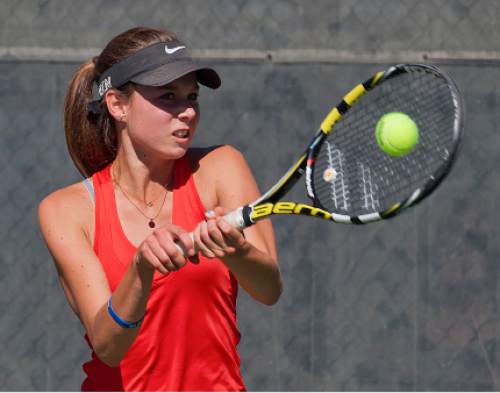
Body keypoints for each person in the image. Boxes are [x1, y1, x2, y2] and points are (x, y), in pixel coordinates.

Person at [38, 26, 282, 392]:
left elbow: (269, 289)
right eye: (168, 96)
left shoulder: (222, 167)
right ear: (118, 105)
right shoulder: (66, 210)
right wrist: (141, 268)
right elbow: (108, 347)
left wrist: (237, 250)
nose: (186, 112)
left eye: (192, 96)